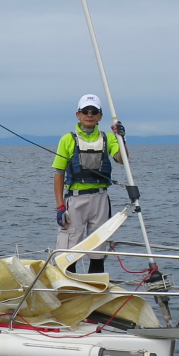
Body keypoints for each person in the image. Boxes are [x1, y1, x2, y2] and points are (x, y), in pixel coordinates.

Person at [52, 94, 129, 274]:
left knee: (98, 249)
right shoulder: (67, 140)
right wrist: (60, 206)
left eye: (94, 111)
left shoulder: (108, 138)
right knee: (69, 250)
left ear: (100, 116)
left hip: (100, 199)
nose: (89, 115)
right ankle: (67, 284)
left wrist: (121, 139)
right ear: (78, 114)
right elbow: (58, 174)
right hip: (75, 200)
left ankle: (95, 286)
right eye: (85, 111)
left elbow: (122, 159)